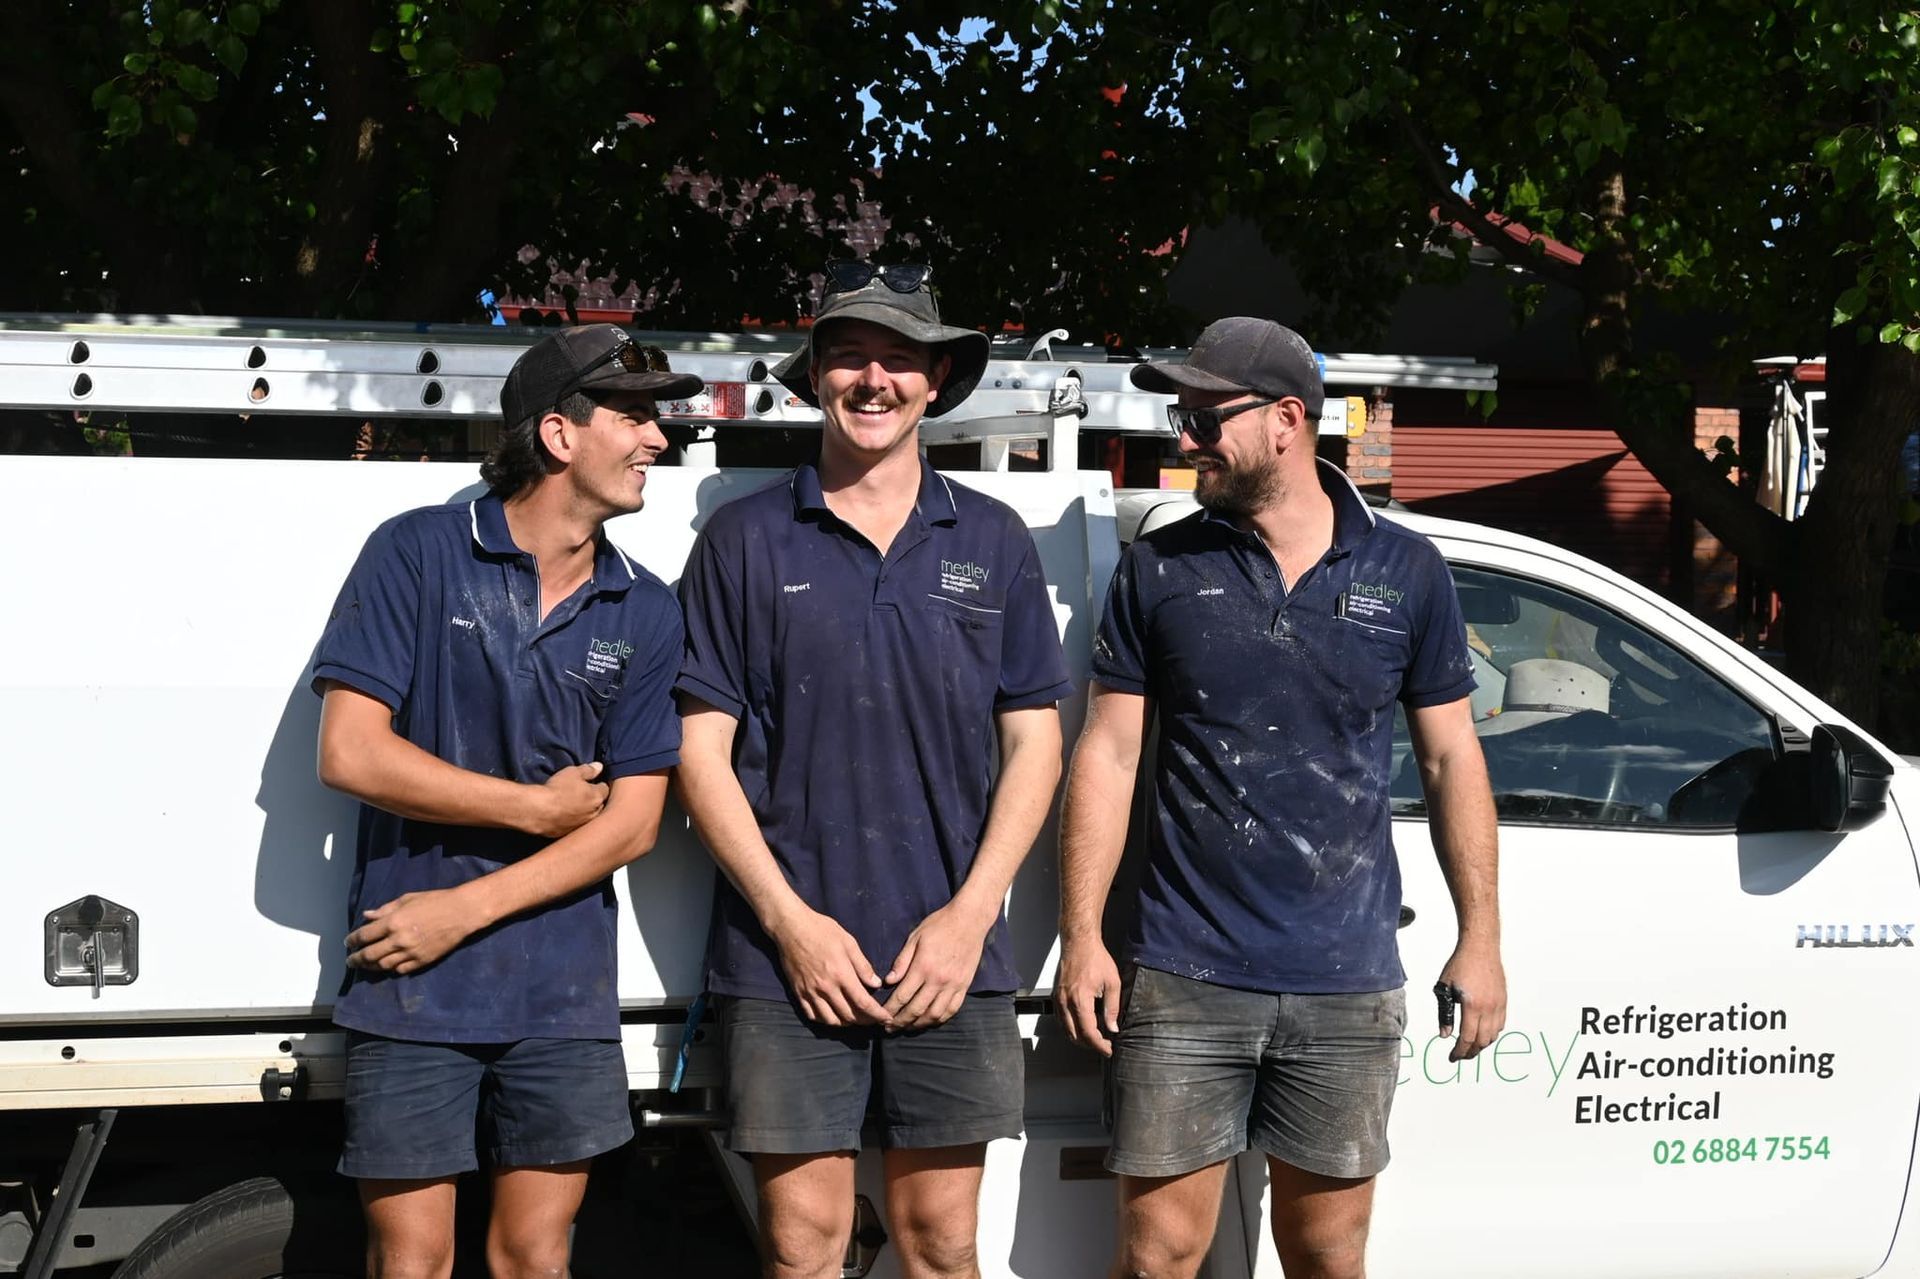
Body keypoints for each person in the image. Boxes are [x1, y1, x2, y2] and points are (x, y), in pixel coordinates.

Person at [1056, 317, 1506, 1279]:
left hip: (1345, 978)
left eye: (1207, 414)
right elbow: (1107, 754)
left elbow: (1452, 758)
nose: (1187, 436)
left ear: (1287, 420)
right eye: (1181, 413)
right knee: (1159, 1257)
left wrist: (1483, 937)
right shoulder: (1160, 566)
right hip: (1181, 972)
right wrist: (1084, 933)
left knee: (1326, 1255)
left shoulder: (1406, 569)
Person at [673, 261, 1072, 1279]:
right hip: (784, 962)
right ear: (814, 378)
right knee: (804, 1248)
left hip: (952, 959)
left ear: (936, 381)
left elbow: (1036, 741)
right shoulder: (743, 539)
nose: (873, 380)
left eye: (898, 359)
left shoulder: (994, 539)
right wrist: (791, 924)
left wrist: (973, 913)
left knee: (942, 1245)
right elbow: (698, 752)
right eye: (848, 358)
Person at [310, 325, 697, 1279]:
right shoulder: (414, 553)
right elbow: (350, 753)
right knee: (412, 1261)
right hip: (407, 989)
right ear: (560, 435)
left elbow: (635, 821)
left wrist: (462, 909)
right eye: (636, 417)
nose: (660, 439)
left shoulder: (645, 607)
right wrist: (531, 809)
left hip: (558, 994)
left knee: (534, 1255)